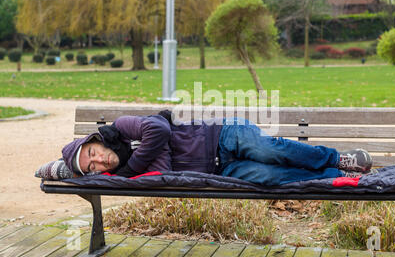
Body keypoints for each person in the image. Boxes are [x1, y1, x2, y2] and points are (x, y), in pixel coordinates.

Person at [62, 111, 375, 186]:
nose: (99, 162)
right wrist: (156, 153)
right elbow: (166, 171)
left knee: (268, 150)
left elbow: (157, 127)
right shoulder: (123, 176)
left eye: (92, 153)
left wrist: (136, 164)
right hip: (218, 170)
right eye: (92, 168)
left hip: (221, 134)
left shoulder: (120, 127)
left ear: (95, 142)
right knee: (267, 176)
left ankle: (337, 158)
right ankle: (332, 175)